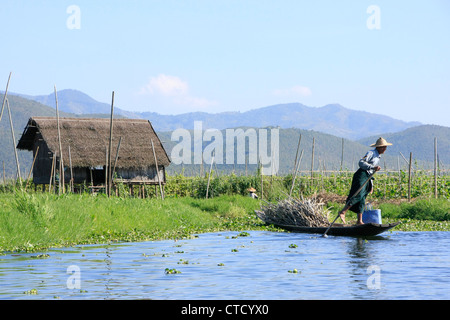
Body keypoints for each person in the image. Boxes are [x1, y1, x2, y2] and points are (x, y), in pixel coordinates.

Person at [339, 137, 392, 225]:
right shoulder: (371, 153)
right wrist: (372, 167)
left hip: (367, 177)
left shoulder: (378, 156)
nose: (385, 149)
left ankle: (359, 221)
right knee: (358, 194)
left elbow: (371, 172)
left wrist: (371, 185)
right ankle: (343, 212)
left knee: (363, 198)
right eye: (383, 147)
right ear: (378, 147)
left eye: (385, 147)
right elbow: (361, 162)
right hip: (361, 175)